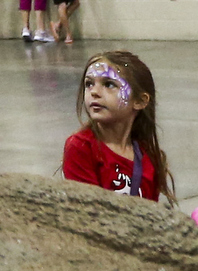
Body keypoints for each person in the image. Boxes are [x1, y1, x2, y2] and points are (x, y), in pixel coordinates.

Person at [63, 50, 174, 203]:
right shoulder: (81, 147)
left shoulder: (149, 156)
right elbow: (88, 213)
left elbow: (151, 216)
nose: (94, 92)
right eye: (89, 84)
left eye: (109, 84)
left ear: (140, 101)